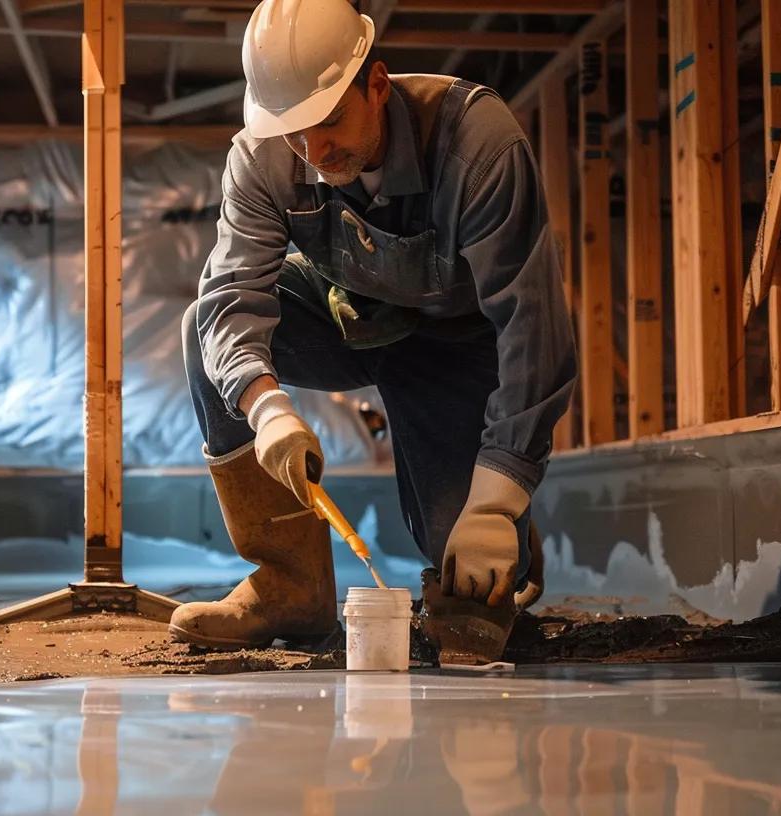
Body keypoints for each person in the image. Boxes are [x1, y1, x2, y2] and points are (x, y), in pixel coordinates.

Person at [168, 0, 578, 665]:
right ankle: (290, 588)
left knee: (467, 593)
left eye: (329, 123)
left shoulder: (478, 144)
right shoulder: (265, 155)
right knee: (201, 328)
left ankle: (500, 522)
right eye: (293, 133)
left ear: (377, 85)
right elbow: (231, 300)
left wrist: (499, 498)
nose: (313, 152)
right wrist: (265, 409)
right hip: (350, 320)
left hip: (456, 348)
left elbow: (532, 329)